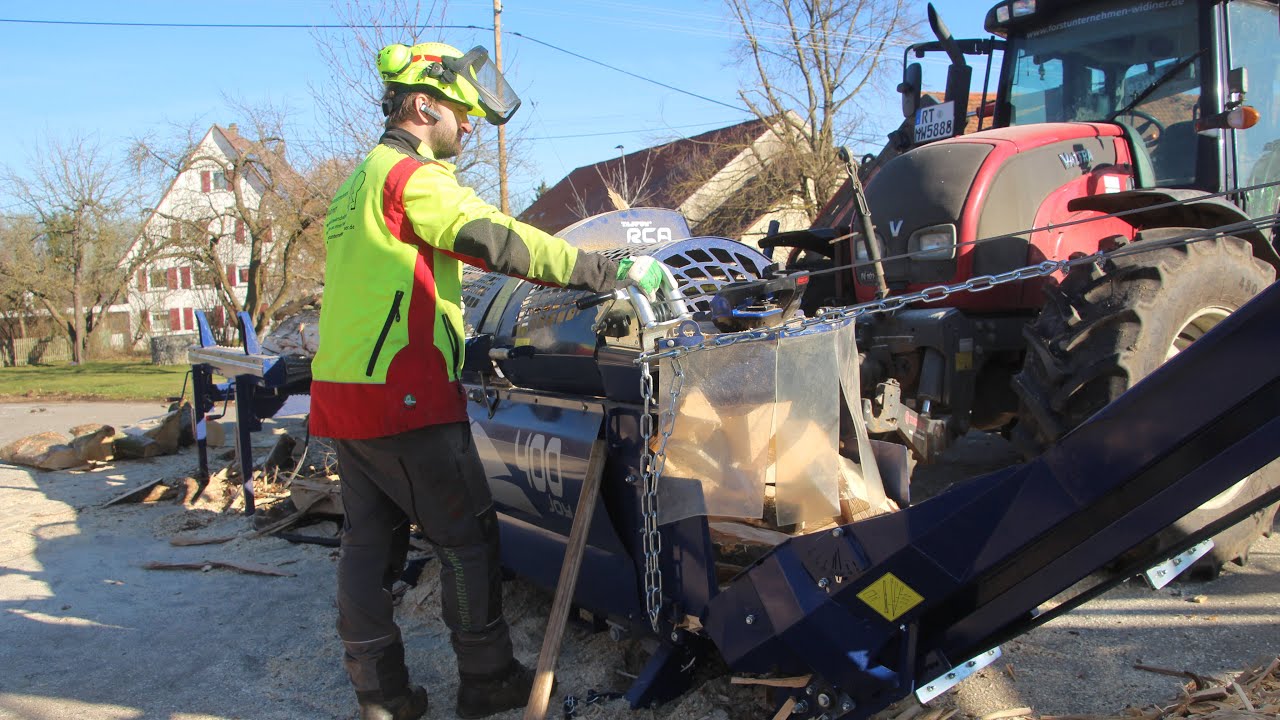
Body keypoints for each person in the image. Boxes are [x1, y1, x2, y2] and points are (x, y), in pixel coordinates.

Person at [309, 42, 671, 720]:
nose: (469, 126)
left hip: (345, 394)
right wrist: (612, 269)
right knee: (468, 542)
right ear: (423, 106)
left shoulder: (358, 179)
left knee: (368, 546)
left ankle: (380, 697)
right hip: (405, 394)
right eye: (461, 113)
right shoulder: (410, 175)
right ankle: (489, 680)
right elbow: (499, 239)